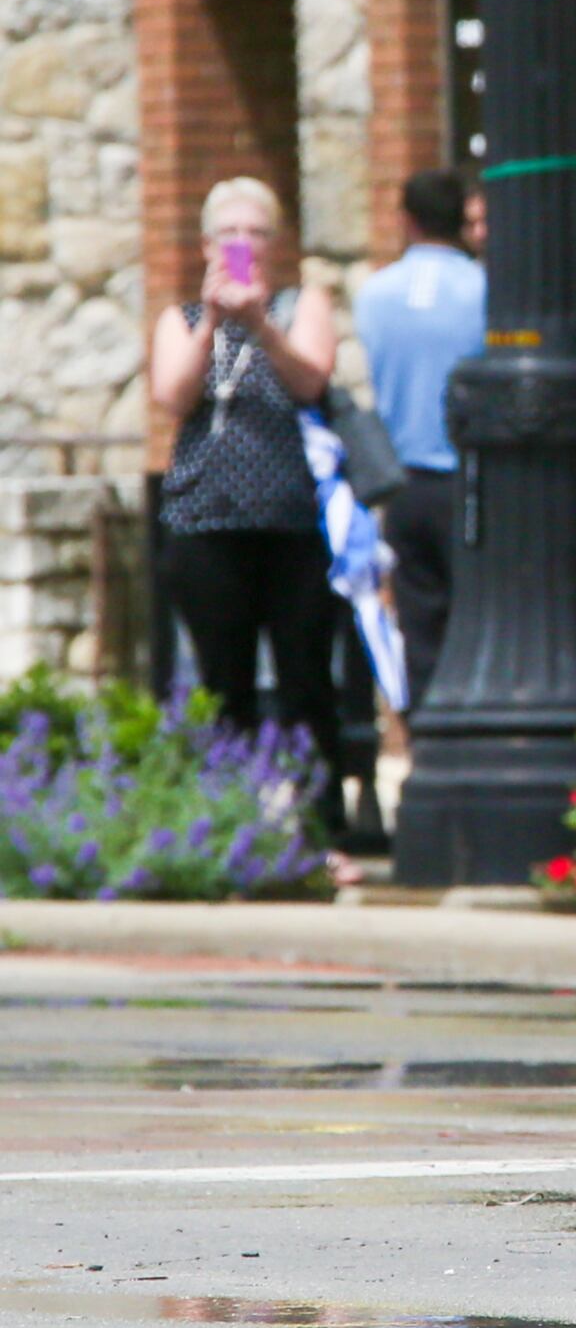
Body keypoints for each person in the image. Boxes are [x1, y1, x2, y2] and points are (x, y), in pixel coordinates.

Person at [149, 178, 345, 842]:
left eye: (255, 232)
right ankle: (226, 830)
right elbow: (172, 396)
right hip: (206, 521)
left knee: (305, 682)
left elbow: (311, 378)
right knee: (221, 685)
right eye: (228, 233)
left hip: (289, 521)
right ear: (206, 244)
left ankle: (321, 832)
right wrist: (211, 322)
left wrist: (260, 322)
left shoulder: (299, 305)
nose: (242, 245)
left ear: (276, 242)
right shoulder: (178, 318)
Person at [354, 169, 487, 714]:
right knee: (475, 618)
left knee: (419, 619)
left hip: (401, 480)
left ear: (405, 220)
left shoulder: (375, 292)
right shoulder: (486, 288)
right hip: (470, 476)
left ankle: (426, 736)